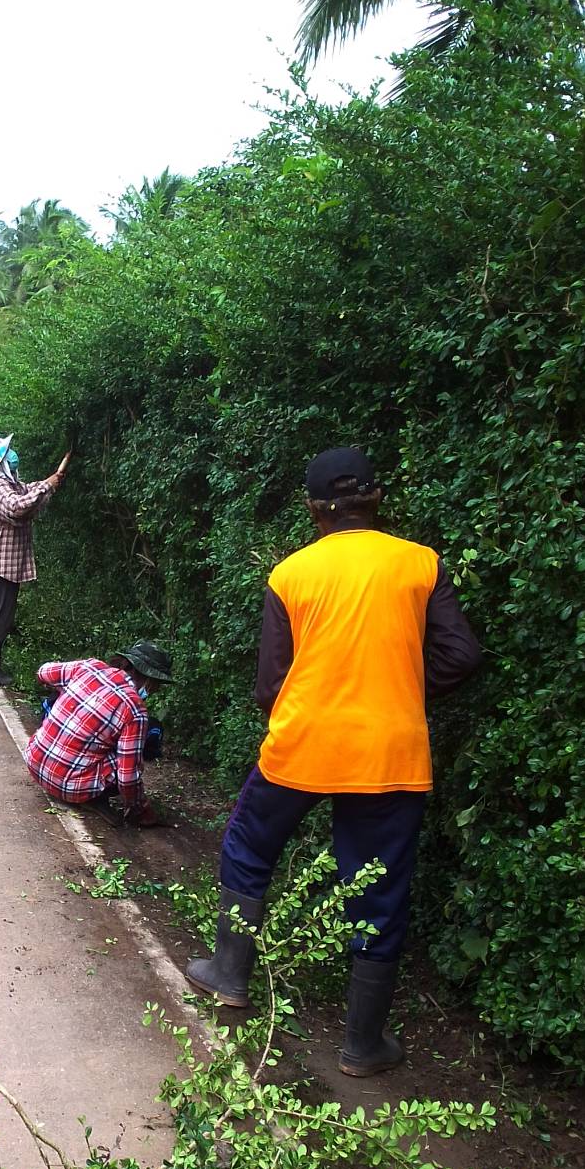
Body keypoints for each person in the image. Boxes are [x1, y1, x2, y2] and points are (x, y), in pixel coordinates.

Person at [186, 447, 483, 1077]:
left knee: (248, 843)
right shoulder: (420, 565)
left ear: (313, 508)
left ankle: (229, 976)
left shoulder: (291, 574)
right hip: (390, 749)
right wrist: (396, 688)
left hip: (303, 743)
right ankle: (361, 1045)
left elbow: (271, 688)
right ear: (377, 499)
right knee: (379, 887)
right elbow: (460, 656)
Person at [26, 642, 172, 826]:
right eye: (156, 685)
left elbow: (43, 672)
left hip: (34, 764)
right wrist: (140, 810)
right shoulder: (134, 709)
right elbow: (128, 777)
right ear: (150, 680)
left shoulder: (89, 667)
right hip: (67, 787)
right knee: (132, 758)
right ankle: (89, 795)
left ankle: (75, 778)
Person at [0, 432, 70, 684]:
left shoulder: (9, 483)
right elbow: (17, 506)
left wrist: (48, 483)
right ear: (0, 460)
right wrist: (47, 485)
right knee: (1, 615)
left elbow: (28, 492)